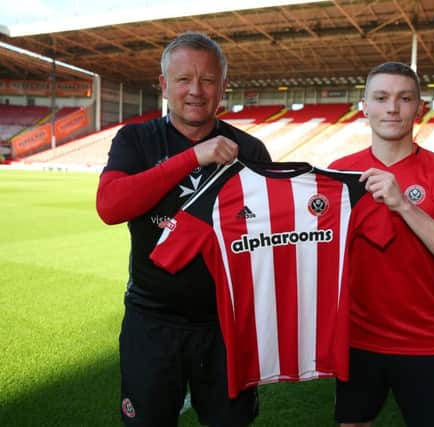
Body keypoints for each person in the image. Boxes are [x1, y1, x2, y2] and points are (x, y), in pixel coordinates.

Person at [96, 31, 271, 427]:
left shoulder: (252, 150)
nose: (196, 90)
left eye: (208, 80)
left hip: (228, 325)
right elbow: (109, 206)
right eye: (183, 79)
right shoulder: (136, 139)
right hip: (151, 320)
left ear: (223, 87)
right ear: (163, 85)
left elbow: (267, 239)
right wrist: (193, 158)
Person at [330, 62, 434, 427]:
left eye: (404, 98)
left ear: (420, 107)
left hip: (425, 342)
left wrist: (403, 205)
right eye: (381, 98)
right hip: (357, 339)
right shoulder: (339, 172)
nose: (393, 108)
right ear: (364, 106)